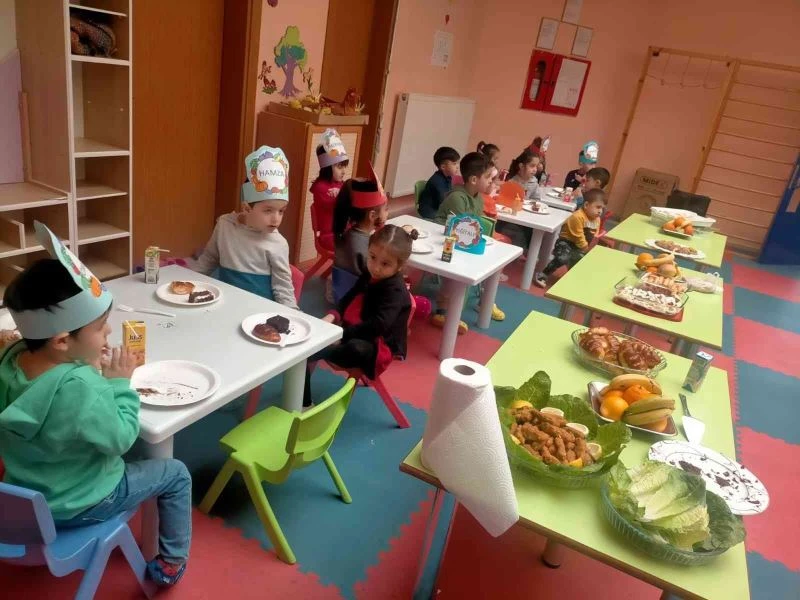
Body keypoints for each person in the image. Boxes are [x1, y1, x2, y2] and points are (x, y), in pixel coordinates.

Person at [0, 223, 192, 586]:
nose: (108, 333)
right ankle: (171, 560)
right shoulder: (84, 389)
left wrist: (84, 361)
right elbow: (122, 439)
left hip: (25, 500)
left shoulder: (9, 359)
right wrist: (118, 382)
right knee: (176, 473)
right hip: (80, 503)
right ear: (61, 341)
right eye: (101, 327)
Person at [304, 225, 415, 408]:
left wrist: (341, 335)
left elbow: (378, 326)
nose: (376, 267)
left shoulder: (395, 290)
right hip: (356, 330)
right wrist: (332, 316)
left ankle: (306, 396)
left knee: (313, 351)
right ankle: (304, 400)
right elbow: (348, 298)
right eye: (372, 257)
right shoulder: (368, 272)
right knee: (309, 335)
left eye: (385, 264)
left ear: (400, 266)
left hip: (378, 347)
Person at [194, 146, 298, 309]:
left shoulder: (278, 244)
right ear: (246, 208)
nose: (276, 219)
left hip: (259, 311)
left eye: (281, 211)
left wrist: (292, 314)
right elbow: (209, 259)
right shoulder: (225, 225)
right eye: (268, 210)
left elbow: (283, 287)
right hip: (225, 305)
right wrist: (191, 282)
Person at [433, 152, 505, 326]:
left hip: (461, 241)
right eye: (488, 177)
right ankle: (444, 312)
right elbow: (460, 230)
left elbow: (473, 226)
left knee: (494, 261)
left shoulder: (477, 197)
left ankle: (485, 301)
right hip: (444, 241)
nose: (491, 181)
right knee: (460, 271)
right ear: (473, 180)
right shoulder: (457, 198)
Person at [332, 168, 389, 301]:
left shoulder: (348, 234)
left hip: (340, 293)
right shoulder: (366, 247)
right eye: (386, 209)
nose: (388, 213)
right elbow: (376, 277)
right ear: (372, 215)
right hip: (357, 300)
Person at [535, 188, 607, 288]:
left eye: (602, 208)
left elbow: (595, 234)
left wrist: (590, 248)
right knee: (562, 258)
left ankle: (571, 280)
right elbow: (578, 236)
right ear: (586, 205)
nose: (600, 211)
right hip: (566, 242)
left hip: (581, 245)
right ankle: (543, 274)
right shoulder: (577, 217)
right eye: (598, 207)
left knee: (581, 262)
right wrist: (585, 248)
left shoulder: (597, 219)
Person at [309, 129, 350, 254]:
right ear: (327, 168)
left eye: (344, 166)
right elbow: (341, 206)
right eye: (339, 167)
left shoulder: (341, 184)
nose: (343, 171)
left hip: (345, 231)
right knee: (359, 245)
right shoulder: (320, 188)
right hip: (330, 235)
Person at [418, 146, 460, 219]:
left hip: (438, 208)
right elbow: (444, 202)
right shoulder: (437, 181)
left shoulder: (448, 177)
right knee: (454, 219)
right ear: (443, 167)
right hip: (430, 212)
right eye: (454, 163)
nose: (457, 166)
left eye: (457, 163)